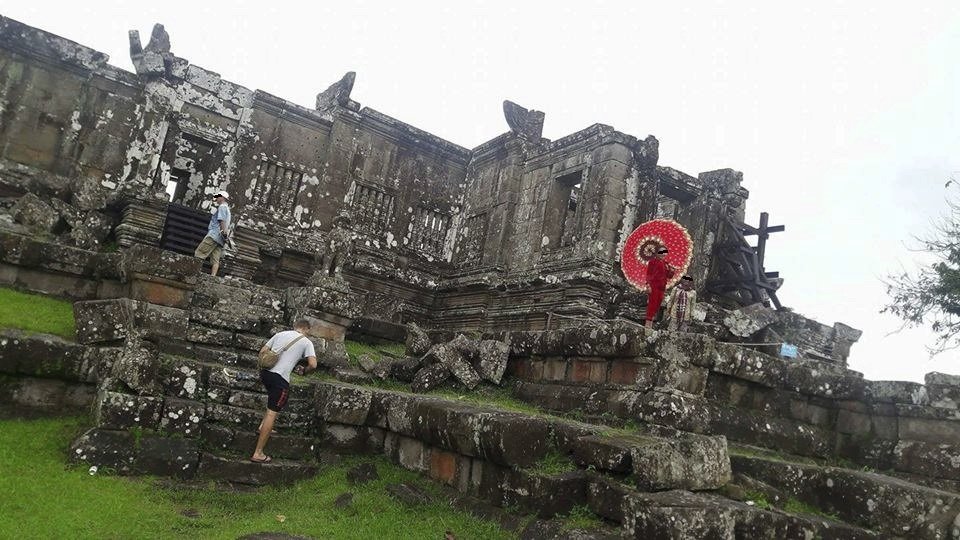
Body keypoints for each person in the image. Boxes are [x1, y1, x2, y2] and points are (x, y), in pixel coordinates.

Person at [251, 319, 317, 464]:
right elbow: (313, 364)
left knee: (271, 402)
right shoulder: (306, 342)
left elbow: (262, 351)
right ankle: (258, 453)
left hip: (266, 374)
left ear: (295, 327)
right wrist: (304, 371)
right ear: (307, 329)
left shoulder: (280, 334)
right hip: (280, 379)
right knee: (272, 412)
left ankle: (262, 427)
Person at [194, 191, 231, 276]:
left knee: (199, 253)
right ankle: (213, 276)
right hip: (220, 238)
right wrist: (225, 235)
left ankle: (195, 272)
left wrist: (222, 231)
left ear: (222, 197)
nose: (217, 199)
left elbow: (221, 220)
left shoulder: (222, 207)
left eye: (218, 197)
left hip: (214, 234)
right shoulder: (228, 210)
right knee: (215, 259)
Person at [645, 246, 676, 329]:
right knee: (652, 304)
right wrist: (648, 285)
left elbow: (669, 276)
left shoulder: (666, 264)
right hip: (654, 286)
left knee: (657, 305)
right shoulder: (653, 262)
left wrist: (672, 271)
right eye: (661, 252)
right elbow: (649, 274)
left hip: (662, 288)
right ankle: (648, 324)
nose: (663, 254)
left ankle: (652, 322)